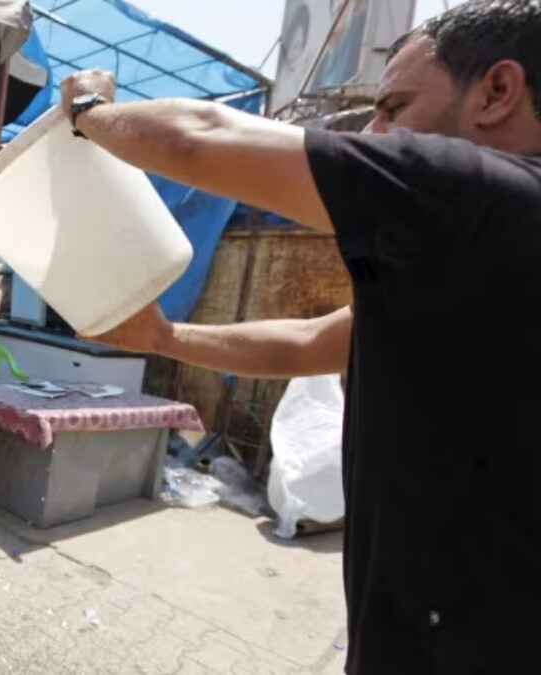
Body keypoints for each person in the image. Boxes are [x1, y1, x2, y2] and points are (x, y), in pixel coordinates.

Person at [60, 1, 541, 672]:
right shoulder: (480, 258)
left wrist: (87, 110)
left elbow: (196, 136)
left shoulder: (490, 198)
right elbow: (314, 339)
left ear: (497, 92)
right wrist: (163, 334)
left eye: (394, 107)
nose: (375, 132)